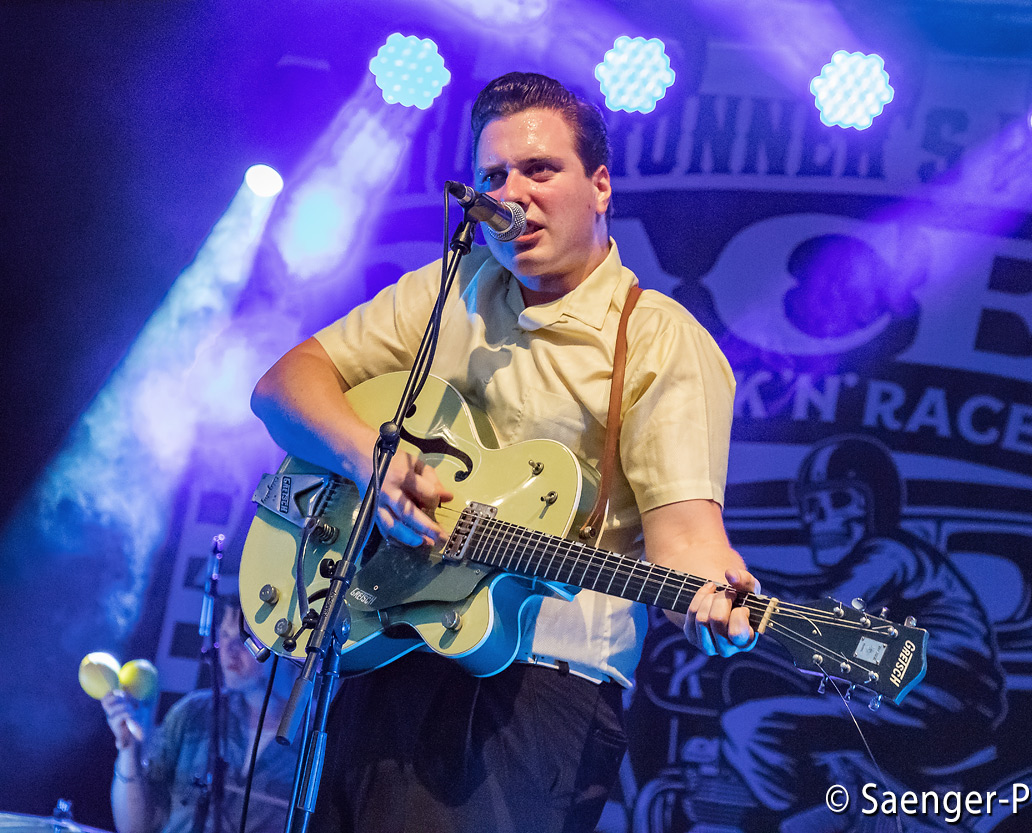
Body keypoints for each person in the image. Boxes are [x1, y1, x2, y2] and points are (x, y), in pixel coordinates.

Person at [249, 72, 759, 832]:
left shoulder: (660, 340)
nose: (510, 193)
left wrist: (716, 597)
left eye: (539, 170)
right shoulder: (453, 287)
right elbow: (283, 385)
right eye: (493, 177)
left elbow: (687, 540)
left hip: (533, 694)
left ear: (600, 186)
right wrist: (368, 460)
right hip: (387, 645)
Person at [719, 435, 1007, 828]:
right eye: (811, 507)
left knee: (753, 729)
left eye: (840, 501)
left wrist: (738, 589)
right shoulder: (889, 558)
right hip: (914, 697)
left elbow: (824, 612)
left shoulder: (890, 553)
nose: (820, 519)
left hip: (934, 697)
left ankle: (845, 819)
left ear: (877, 504)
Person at [103, 598, 298, 833]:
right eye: (224, 635)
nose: (228, 649)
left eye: (245, 639)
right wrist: (129, 749)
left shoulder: (316, 740)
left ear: (286, 646)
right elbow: (134, 827)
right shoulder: (192, 713)